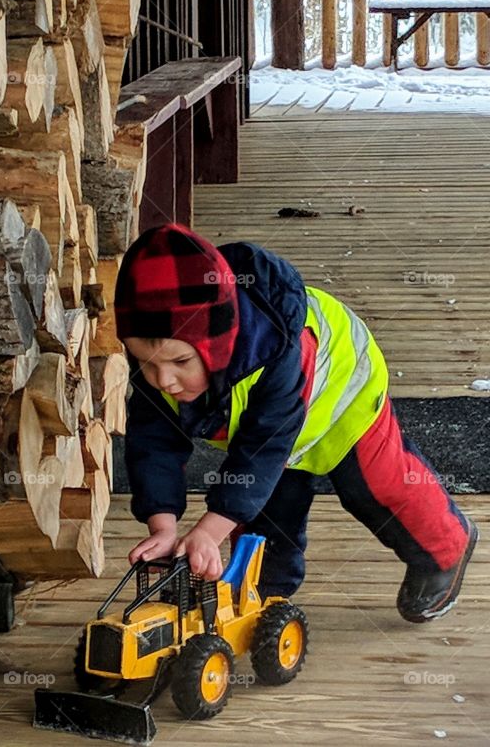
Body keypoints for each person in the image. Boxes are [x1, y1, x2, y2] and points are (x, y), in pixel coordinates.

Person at [115, 222, 478, 622]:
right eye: (147, 364)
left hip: (341, 397)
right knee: (264, 508)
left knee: (375, 486)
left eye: (181, 362)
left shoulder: (277, 350)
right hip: (268, 432)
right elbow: (153, 446)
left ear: (215, 346)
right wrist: (162, 523)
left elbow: (264, 447)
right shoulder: (160, 370)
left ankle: (445, 549)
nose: (164, 380)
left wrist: (209, 531)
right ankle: (264, 599)